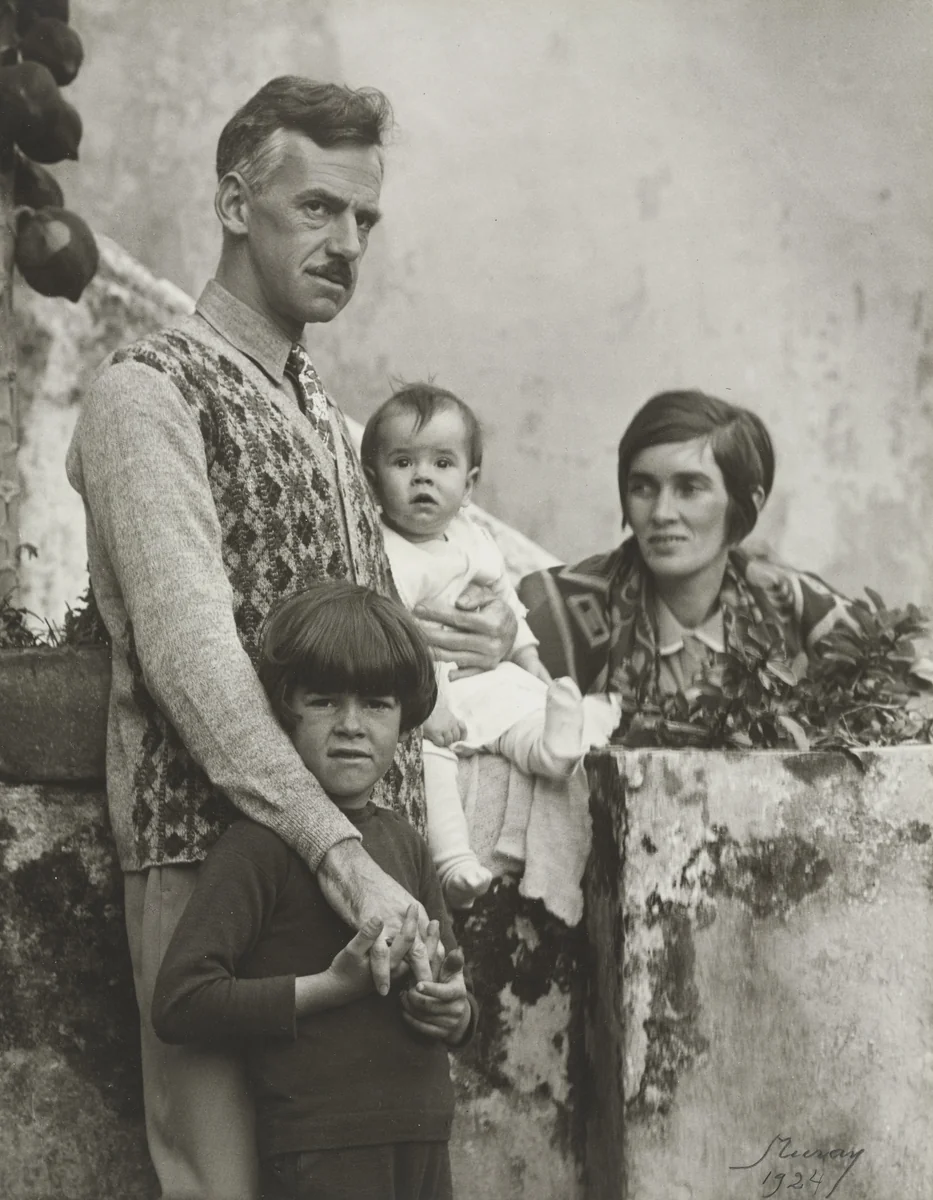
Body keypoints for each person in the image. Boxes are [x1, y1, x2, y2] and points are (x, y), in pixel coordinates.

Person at [65, 77, 513, 1200]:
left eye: (363, 218)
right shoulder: (146, 395)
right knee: (225, 1189)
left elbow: (306, 626)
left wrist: (453, 639)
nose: (346, 242)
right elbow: (195, 655)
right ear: (233, 201)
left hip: (349, 857)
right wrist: (345, 860)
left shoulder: (318, 404)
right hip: (209, 859)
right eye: (316, 207)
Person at [152, 583, 475, 1200]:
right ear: (284, 711)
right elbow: (180, 1002)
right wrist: (329, 990)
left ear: (405, 718)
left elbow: (452, 991)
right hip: (318, 1153)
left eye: (377, 704)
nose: (351, 726)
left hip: (423, 1135)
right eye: (324, 701)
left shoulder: (405, 843)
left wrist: (455, 1011)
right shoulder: (258, 849)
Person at [361, 383, 618, 908]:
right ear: (373, 481)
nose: (423, 477)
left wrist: (532, 665)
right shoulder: (382, 552)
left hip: (485, 675)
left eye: (442, 463)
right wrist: (428, 704)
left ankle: (551, 750)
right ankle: (454, 861)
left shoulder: (475, 539)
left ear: (470, 484)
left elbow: (509, 609)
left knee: (523, 708)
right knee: (428, 755)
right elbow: (390, 634)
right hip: (428, 685)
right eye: (403, 462)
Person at [520, 389, 859, 703]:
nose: (661, 513)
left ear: (745, 504)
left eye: (690, 488)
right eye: (643, 488)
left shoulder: (790, 605)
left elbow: (901, 665)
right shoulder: (560, 610)